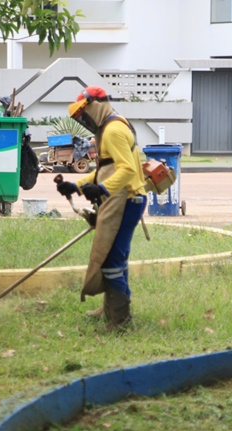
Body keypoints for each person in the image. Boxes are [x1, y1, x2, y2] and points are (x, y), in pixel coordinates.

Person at [56, 85, 147, 329]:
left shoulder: (114, 130)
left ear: (95, 105)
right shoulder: (111, 124)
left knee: (111, 260)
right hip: (124, 198)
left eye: (83, 113)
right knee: (116, 256)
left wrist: (103, 190)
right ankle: (110, 308)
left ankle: (120, 320)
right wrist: (77, 185)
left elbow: (126, 170)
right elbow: (105, 169)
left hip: (128, 200)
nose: (83, 119)